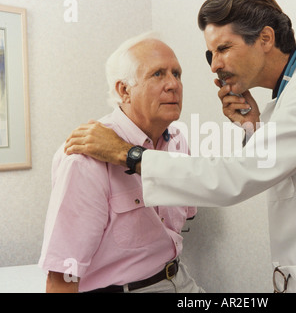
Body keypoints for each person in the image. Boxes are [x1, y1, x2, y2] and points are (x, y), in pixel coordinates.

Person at [64, 0, 296, 292]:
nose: (215, 65)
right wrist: (252, 127)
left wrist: (130, 154)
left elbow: (236, 178)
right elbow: (285, 168)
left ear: (265, 38)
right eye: (210, 54)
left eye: (223, 48)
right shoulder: (293, 95)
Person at [39, 31, 203, 293]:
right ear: (124, 90)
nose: (173, 84)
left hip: (179, 279)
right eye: (158, 74)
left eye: (177, 73)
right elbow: (61, 276)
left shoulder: (178, 141)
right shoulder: (85, 158)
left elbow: (190, 210)